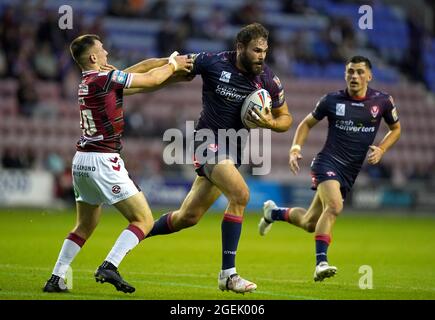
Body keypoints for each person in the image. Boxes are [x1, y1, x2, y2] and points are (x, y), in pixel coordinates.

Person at [146, 23, 292, 293]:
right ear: (240, 47)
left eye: (265, 51)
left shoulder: (268, 80)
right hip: (206, 142)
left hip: (233, 150)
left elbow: (286, 119)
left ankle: (136, 232)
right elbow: (172, 65)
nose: (262, 56)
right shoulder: (213, 62)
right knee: (241, 195)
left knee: (187, 217)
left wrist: (270, 123)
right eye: (256, 50)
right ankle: (228, 274)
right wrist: (126, 79)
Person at [43, 34, 192, 293]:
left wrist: (170, 66)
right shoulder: (105, 78)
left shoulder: (92, 81)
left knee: (85, 225)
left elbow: (144, 76)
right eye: (102, 50)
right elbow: (151, 79)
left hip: (82, 161)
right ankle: (110, 264)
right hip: (103, 160)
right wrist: (173, 67)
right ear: (92, 57)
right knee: (143, 220)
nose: (107, 54)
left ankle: (56, 277)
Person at [258, 55, 401, 282]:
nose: (354, 76)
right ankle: (320, 263)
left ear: (370, 76)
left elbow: (396, 128)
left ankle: (273, 213)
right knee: (334, 206)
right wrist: (295, 148)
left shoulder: (382, 101)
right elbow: (306, 124)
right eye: (350, 72)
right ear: (345, 75)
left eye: (360, 72)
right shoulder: (332, 100)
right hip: (327, 163)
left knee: (309, 222)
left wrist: (382, 149)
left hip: (350, 172)